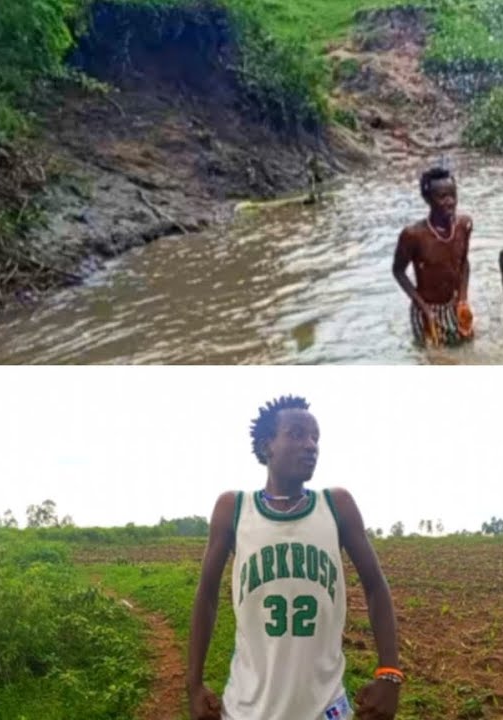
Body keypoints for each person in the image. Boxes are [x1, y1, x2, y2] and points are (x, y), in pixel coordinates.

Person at [187, 396, 402, 720]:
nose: (311, 445)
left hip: (326, 709)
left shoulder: (336, 505)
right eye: (297, 434)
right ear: (267, 446)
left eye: (315, 437)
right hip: (246, 709)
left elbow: (375, 587)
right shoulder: (233, 509)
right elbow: (206, 598)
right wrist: (194, 684)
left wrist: (390, 674)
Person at [392, 167, 474, 347]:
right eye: (442, 197)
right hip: (426, 308)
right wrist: (424, 309)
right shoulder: (413, 235)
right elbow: (398, 271)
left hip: (454, 304)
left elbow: (464, 263)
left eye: (453, 195)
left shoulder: (464, 225)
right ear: (427, 199)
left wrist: (462, 299)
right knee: (433, 357)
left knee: (469, 349)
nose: (450, 202)